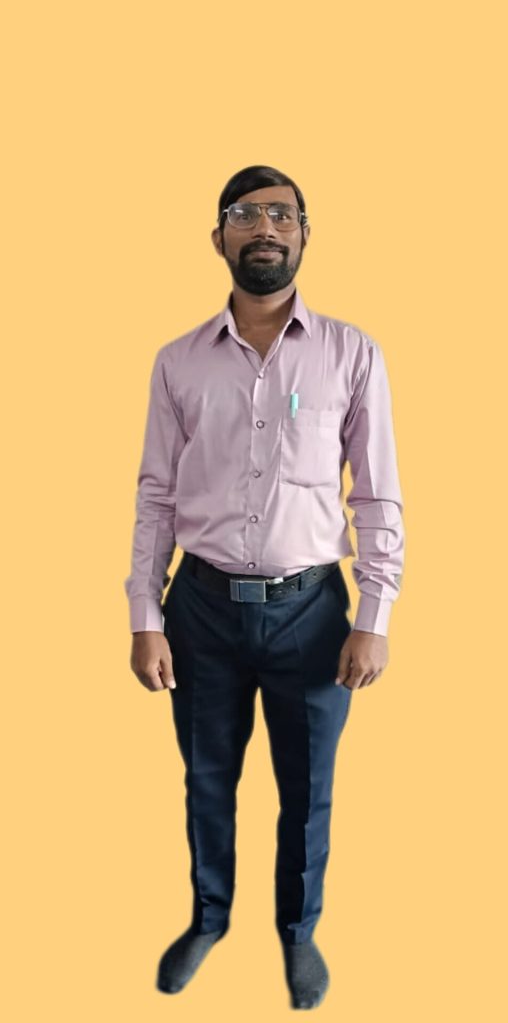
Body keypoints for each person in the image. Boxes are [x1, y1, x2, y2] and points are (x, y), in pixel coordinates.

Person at [124, 164, 405, 1008]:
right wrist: (144, 614)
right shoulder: (178, 362)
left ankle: (297, 930)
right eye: (244, 215)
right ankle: (209, 918)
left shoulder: (352, 353)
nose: (264, 229)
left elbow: (376, 493)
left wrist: (374, 615)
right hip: (201, 611)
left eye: (281, 214)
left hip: (311, 614)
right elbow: (155, 494)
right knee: (207, 780)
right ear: (219, 239)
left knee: (307, 791)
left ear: (305, 235)